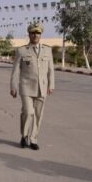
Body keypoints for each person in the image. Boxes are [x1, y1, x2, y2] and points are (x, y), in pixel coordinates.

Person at [10, 22, 55, 150]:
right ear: (29, 34)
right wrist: (13, 87)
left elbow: (51, 69)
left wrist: (51, 84)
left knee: (38, 115)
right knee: (28, 112)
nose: (35, 35)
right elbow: (15, 71)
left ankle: (33, 138)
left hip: (42, 87)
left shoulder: (47, 50)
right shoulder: (22, 50)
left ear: (41, 35)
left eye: (38, 33)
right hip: (26, 87)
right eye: (33, 33)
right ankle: (24, 136)